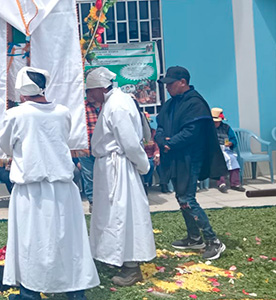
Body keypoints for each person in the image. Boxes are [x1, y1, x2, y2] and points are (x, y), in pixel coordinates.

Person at [0, 67, 99, 300]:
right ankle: (76, 294)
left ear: (21, 89)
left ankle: (30, 296)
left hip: (31, 188)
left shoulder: (16, 115)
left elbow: (5, 146)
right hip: (62, 186)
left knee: (31, 241)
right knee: (69, 239)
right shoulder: (62, 112)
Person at [86, 67, 156, 286]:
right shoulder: (116, 101)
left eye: (90, 92)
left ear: (99, 88)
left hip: (119, 167)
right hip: (112, 165)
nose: (89, 97)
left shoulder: (116, 105)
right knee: (111, 213)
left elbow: (129, 142)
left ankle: (131, 266)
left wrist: (143, 165)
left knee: (121, 214)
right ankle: (115, 257)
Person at [155, 66, 227, 260]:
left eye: (170, 84)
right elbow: (160, 126)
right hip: (175, 157)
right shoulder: (171, 104)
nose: (167, 87)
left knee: (187, 198)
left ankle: (213, 241)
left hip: (190, 158)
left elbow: (192, 132)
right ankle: (194, 237)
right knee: (181, 198)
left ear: (182, 82)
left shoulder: (195, 103)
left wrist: (171, 144)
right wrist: (162, 141)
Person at [76, 96, 102, 205]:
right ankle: (93, 202)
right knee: (89, 175)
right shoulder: (81, 107)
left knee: (104, 173)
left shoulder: (105, 106)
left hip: (101, 148)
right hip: (84, 147)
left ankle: (105, 200)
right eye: (88, 92)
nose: (90, 95)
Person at [212, 108, 244, 193]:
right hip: (214, 150)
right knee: (219, 160)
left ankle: (235, 183)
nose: (216, 123)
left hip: (226, 149)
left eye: (217, 122)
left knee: (233, 160)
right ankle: (221, 183)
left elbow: (233, 139)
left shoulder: (227, 128)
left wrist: (230, 143)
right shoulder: (208, 128)